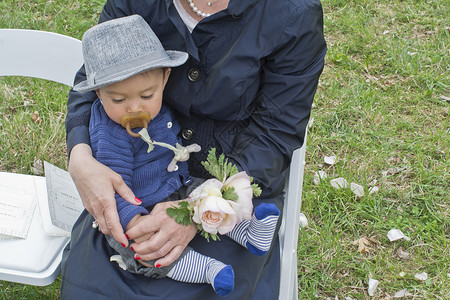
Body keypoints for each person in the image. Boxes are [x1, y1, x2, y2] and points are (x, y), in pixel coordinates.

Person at [62, 0, 327, 299]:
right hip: (137, 180)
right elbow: (92, 79)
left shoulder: (291, 12)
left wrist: (199, 207)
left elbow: (275, 132)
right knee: (95, 285)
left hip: (231, 183)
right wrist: (80, 157)